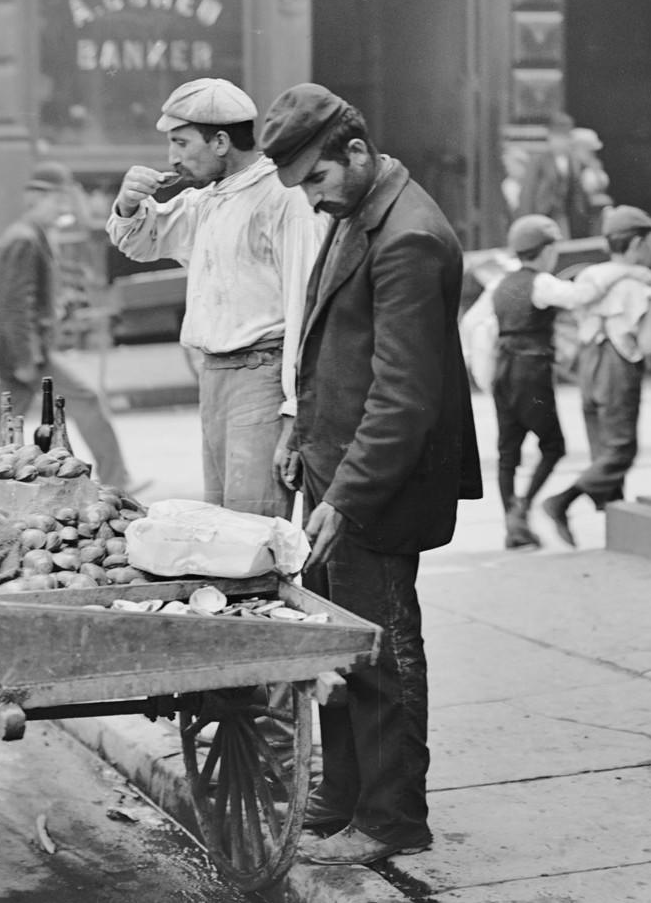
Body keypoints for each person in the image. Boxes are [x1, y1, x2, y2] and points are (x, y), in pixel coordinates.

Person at [260, 83, 482, 866]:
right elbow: (335, 343)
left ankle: (391, 817)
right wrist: (302, 433)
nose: (313, 201)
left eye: (317, 180)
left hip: (377, 485)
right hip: (337, 467)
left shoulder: (409, 235)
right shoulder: (359, 210)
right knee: (335, 639)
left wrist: (346, 497)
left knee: (382, 649)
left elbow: (403, 397)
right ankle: (342, 793)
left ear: (355, 152)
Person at [107, 77, 328, 519]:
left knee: (254, 529)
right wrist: (128, 204)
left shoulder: (284, 198)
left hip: (261, 376)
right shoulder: (208, 199)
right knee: (224, 527)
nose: (173, 157)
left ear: (222, 141)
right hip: (215, 378)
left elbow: (310, 309)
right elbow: (142, 242)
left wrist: (294, 409)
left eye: (181, 142)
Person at [0, 160, 136, 490]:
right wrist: (24, 359)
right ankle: (118, 481)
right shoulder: (25, 239)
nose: (63, 208)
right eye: (57, 201)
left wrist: (60, 306)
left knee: (1, 418)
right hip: (27, 351)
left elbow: (29, 298)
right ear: (36, 199)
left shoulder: (34, 235)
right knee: (84, 400)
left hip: (25, 349)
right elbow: (15, 307)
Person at [491, 214, 650, 549]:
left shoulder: (500, 283)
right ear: (547, 250)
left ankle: (513, 522)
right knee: (553, 446)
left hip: (501, 370)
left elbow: (478, 327)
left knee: (508, 451)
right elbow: (580, 296)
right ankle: (529, 505)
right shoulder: (542, 283)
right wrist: (626, 271)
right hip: (530, 371)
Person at [542, 206, 651, 547]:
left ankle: (616, 525)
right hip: (617, 364)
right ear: (638, 243)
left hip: (588, 364)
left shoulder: (589, 277)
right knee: (621, 449)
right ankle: (561, 502)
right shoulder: (638, 285)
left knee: (603, 450)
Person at [518, 112, 588, 239]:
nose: (561, 142)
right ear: (550, 138)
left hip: (563, 217)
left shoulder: (573, 161)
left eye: (565, 137)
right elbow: (528, 192)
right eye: (558, 137)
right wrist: (526, 221)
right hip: (542, 213)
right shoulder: (539, 160)